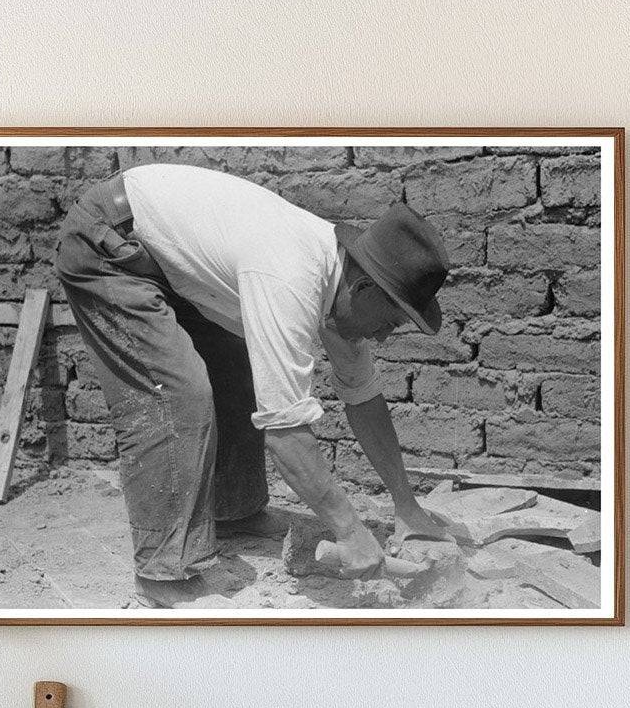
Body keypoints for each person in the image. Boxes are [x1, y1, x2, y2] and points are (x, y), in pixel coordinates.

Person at [55, 162, 453, 608]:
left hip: (165, 258)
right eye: (390, 322)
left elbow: (364, 397)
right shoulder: (291, 276)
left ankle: (233, 511)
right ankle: (163, 575)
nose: (382, 337)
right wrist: (351, 531)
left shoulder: (342, 288)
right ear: (362, 288)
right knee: (177, 393)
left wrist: (406, 505)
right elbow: (286, 436)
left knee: (238, 370)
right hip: (109, 245)